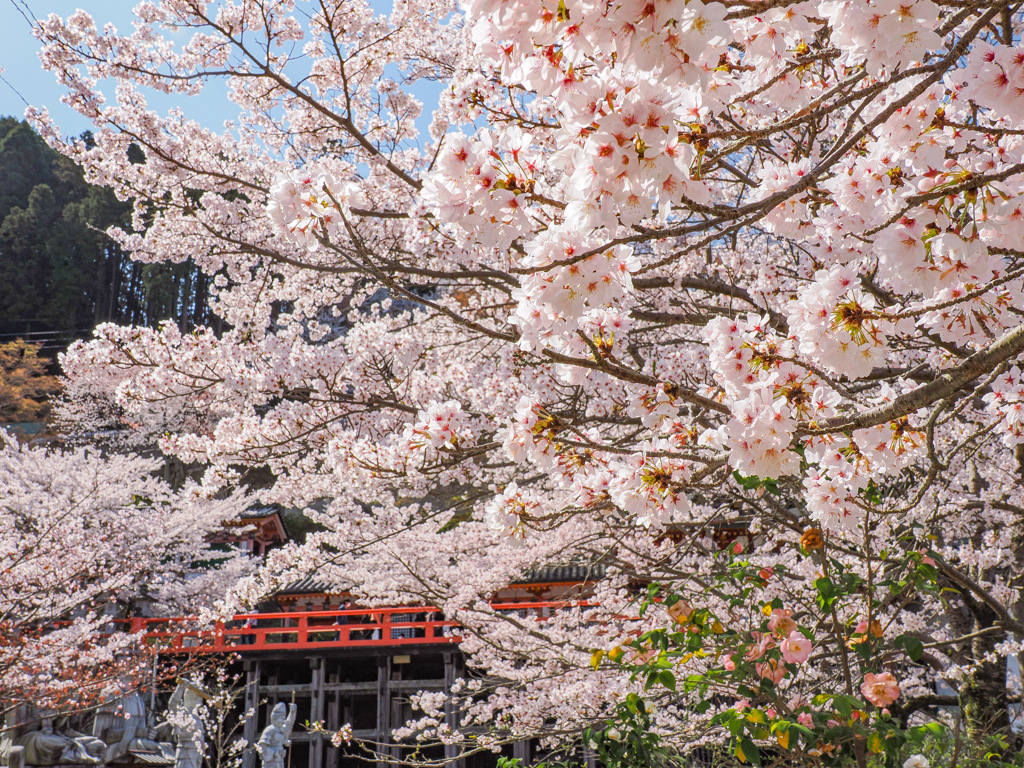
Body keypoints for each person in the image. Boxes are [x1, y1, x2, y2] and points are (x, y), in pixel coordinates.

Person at [255, 703, 297, 768]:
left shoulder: (281, 730)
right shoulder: (270, 729)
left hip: (280, 760)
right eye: (281, 719)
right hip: (270, 762)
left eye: (284, 719)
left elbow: (289, 724)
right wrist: (274, 752)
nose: (283, 721)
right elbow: (262, 745)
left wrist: (292, 712)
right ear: (275, 718)